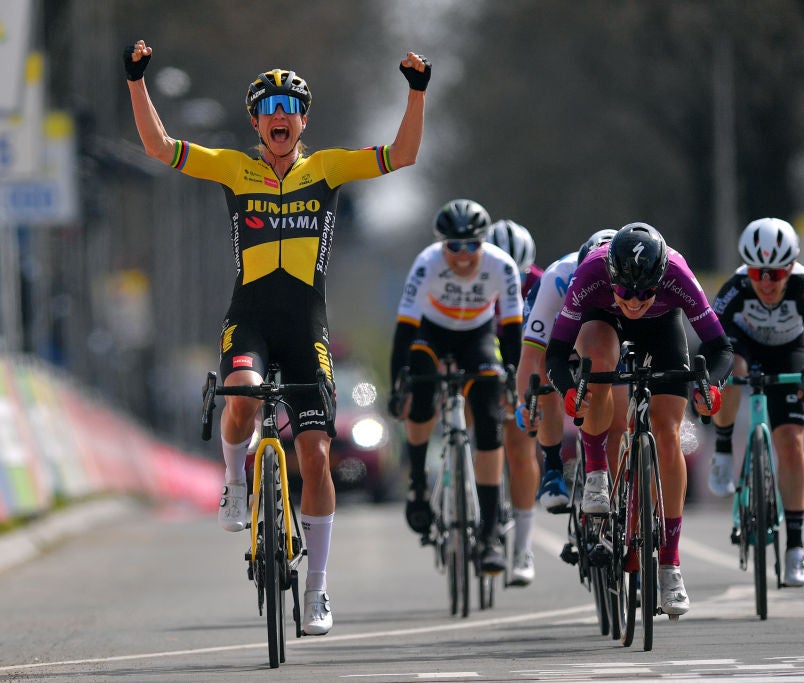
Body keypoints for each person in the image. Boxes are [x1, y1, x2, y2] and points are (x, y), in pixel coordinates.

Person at [124, 40, 429, 636]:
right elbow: (160, 148)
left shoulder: (328, 168)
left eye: (290, 107)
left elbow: (404, 154)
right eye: (269, 107)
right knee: (241, 392)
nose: (280, 115)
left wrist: (416, 93)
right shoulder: (232, 168)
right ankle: (236, 483)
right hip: (251, 318)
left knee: (315, 455)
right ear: (256, 121)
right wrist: (136, 82)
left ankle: (317, 590)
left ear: (303, 120)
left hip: (306, 327)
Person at [545, 223, 733, 616]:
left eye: (645, 292)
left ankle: (670, 564)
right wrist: (570, 390)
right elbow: (557, 353)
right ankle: (597, 472)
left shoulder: (677, 274)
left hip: (662, 328)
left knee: (668, 434)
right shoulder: (592, 272)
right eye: (625, 291)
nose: (633, 301)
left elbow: (720, 348)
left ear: (661, 279)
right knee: (597, 366)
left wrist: (711, 387)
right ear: (610, 276)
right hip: (602, 320)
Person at [388, 199, 523, 575]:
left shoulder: (502, 266)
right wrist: (398, 384)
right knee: (421, 395)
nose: (463, 256)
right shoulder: (426, 264)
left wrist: (513, 378)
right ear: (441, 244)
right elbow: (404, 330)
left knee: (489, 420)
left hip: (477, 336)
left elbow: (513, 329)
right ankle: (417, 482)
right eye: (454, 246)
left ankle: (490, 533)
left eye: (471, 245)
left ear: (484, 242)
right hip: (431, 333)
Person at [705, 218, 804, 587]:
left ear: (790, 268)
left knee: (791, 443)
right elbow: (712, 344)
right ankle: (723, 451)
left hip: (788, 353)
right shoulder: (735, 287)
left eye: (775, 273)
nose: (766, 282)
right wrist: (708, 384)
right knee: (732, 368)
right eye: (758, 272)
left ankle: (795, 548)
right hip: (742, 345)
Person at [516, 229, 621, 514]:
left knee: (617, 396)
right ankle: (552, 467)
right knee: (544, 371)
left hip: (605, 322)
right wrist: (525, 404)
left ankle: (615, 481)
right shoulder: (557, 278)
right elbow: (530, 357)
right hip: (557, 316)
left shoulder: (628, 278)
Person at [487, 219, 543, 586]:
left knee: (521, 451)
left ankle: (523, 548)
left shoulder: (540, 282)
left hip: (521, 362)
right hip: (483, 361)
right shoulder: (474, 274)